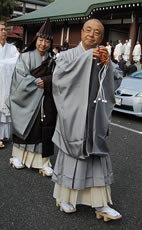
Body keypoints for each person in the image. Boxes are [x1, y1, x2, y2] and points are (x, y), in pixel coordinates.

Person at [52, 19, 123, 221]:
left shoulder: (103, 56)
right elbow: (59, 80)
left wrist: (107, 65)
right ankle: (65, 198)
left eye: (97, 33)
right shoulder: (67, 56)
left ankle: (101, 204)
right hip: (73, 116)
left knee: (96, 156)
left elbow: (116, 80)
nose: (92, 35)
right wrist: (85, 59)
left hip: (95, 116)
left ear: (102, 38)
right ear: (81, 32)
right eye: (89, 30)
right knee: (72, 155)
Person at [8, 18, 57, 176]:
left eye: (47, 41)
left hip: (45, 101)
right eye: (41, 40)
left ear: (50, 44)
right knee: (27, 128)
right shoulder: (25, 57)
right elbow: (20, 78)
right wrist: (38, 81)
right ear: (36, 40)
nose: (43, 44)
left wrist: (47, 81)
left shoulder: (52, 61)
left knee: (44, 130)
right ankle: (18, 156)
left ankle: (43, 162)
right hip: (28, 100)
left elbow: (59, 77)